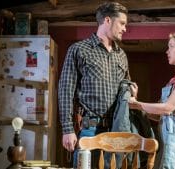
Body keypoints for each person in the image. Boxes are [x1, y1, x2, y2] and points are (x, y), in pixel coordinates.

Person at [58, 2, 136, 168]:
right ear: (107, 20)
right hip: (89, 128)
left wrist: (131, 90)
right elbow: (65, 90)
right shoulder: (79, 49)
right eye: (122, 23)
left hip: (117, 129)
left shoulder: (121, 55)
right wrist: (67, 129)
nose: (125, 29)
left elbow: (126, 87)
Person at [129, 32, 175, 169]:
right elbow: (161, 114)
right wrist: (136, 103)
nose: (167, 51)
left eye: (171, 46)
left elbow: (168, 108)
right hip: (169, 138)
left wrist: (136, 104)